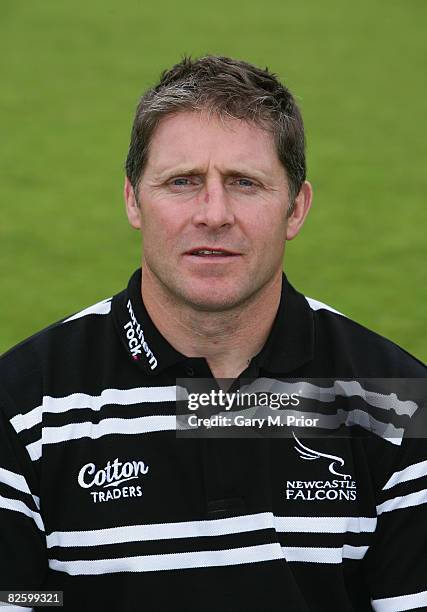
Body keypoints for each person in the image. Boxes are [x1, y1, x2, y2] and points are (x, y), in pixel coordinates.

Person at [0, 55, 426, 612]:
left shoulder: (396, 404)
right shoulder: (23, 406)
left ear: (295, 208)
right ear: (133, 199)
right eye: (183, 182)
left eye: (245, 183)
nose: (213, 213)